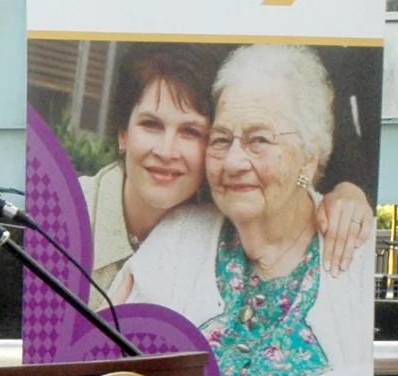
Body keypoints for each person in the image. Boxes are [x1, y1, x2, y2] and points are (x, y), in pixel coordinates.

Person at [115, 44, 372, 376]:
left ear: (309, 158)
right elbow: (114, 365)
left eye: (259, 140)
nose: (234, 161)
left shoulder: (355, 250)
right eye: (221, 140)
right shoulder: (176, 241)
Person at [80, 50, 370, 301]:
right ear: (122, 134)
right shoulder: (64, 219)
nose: (167, 151)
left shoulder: (228, 203)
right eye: (151, 125)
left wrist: (349, 192)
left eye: (191, 131)